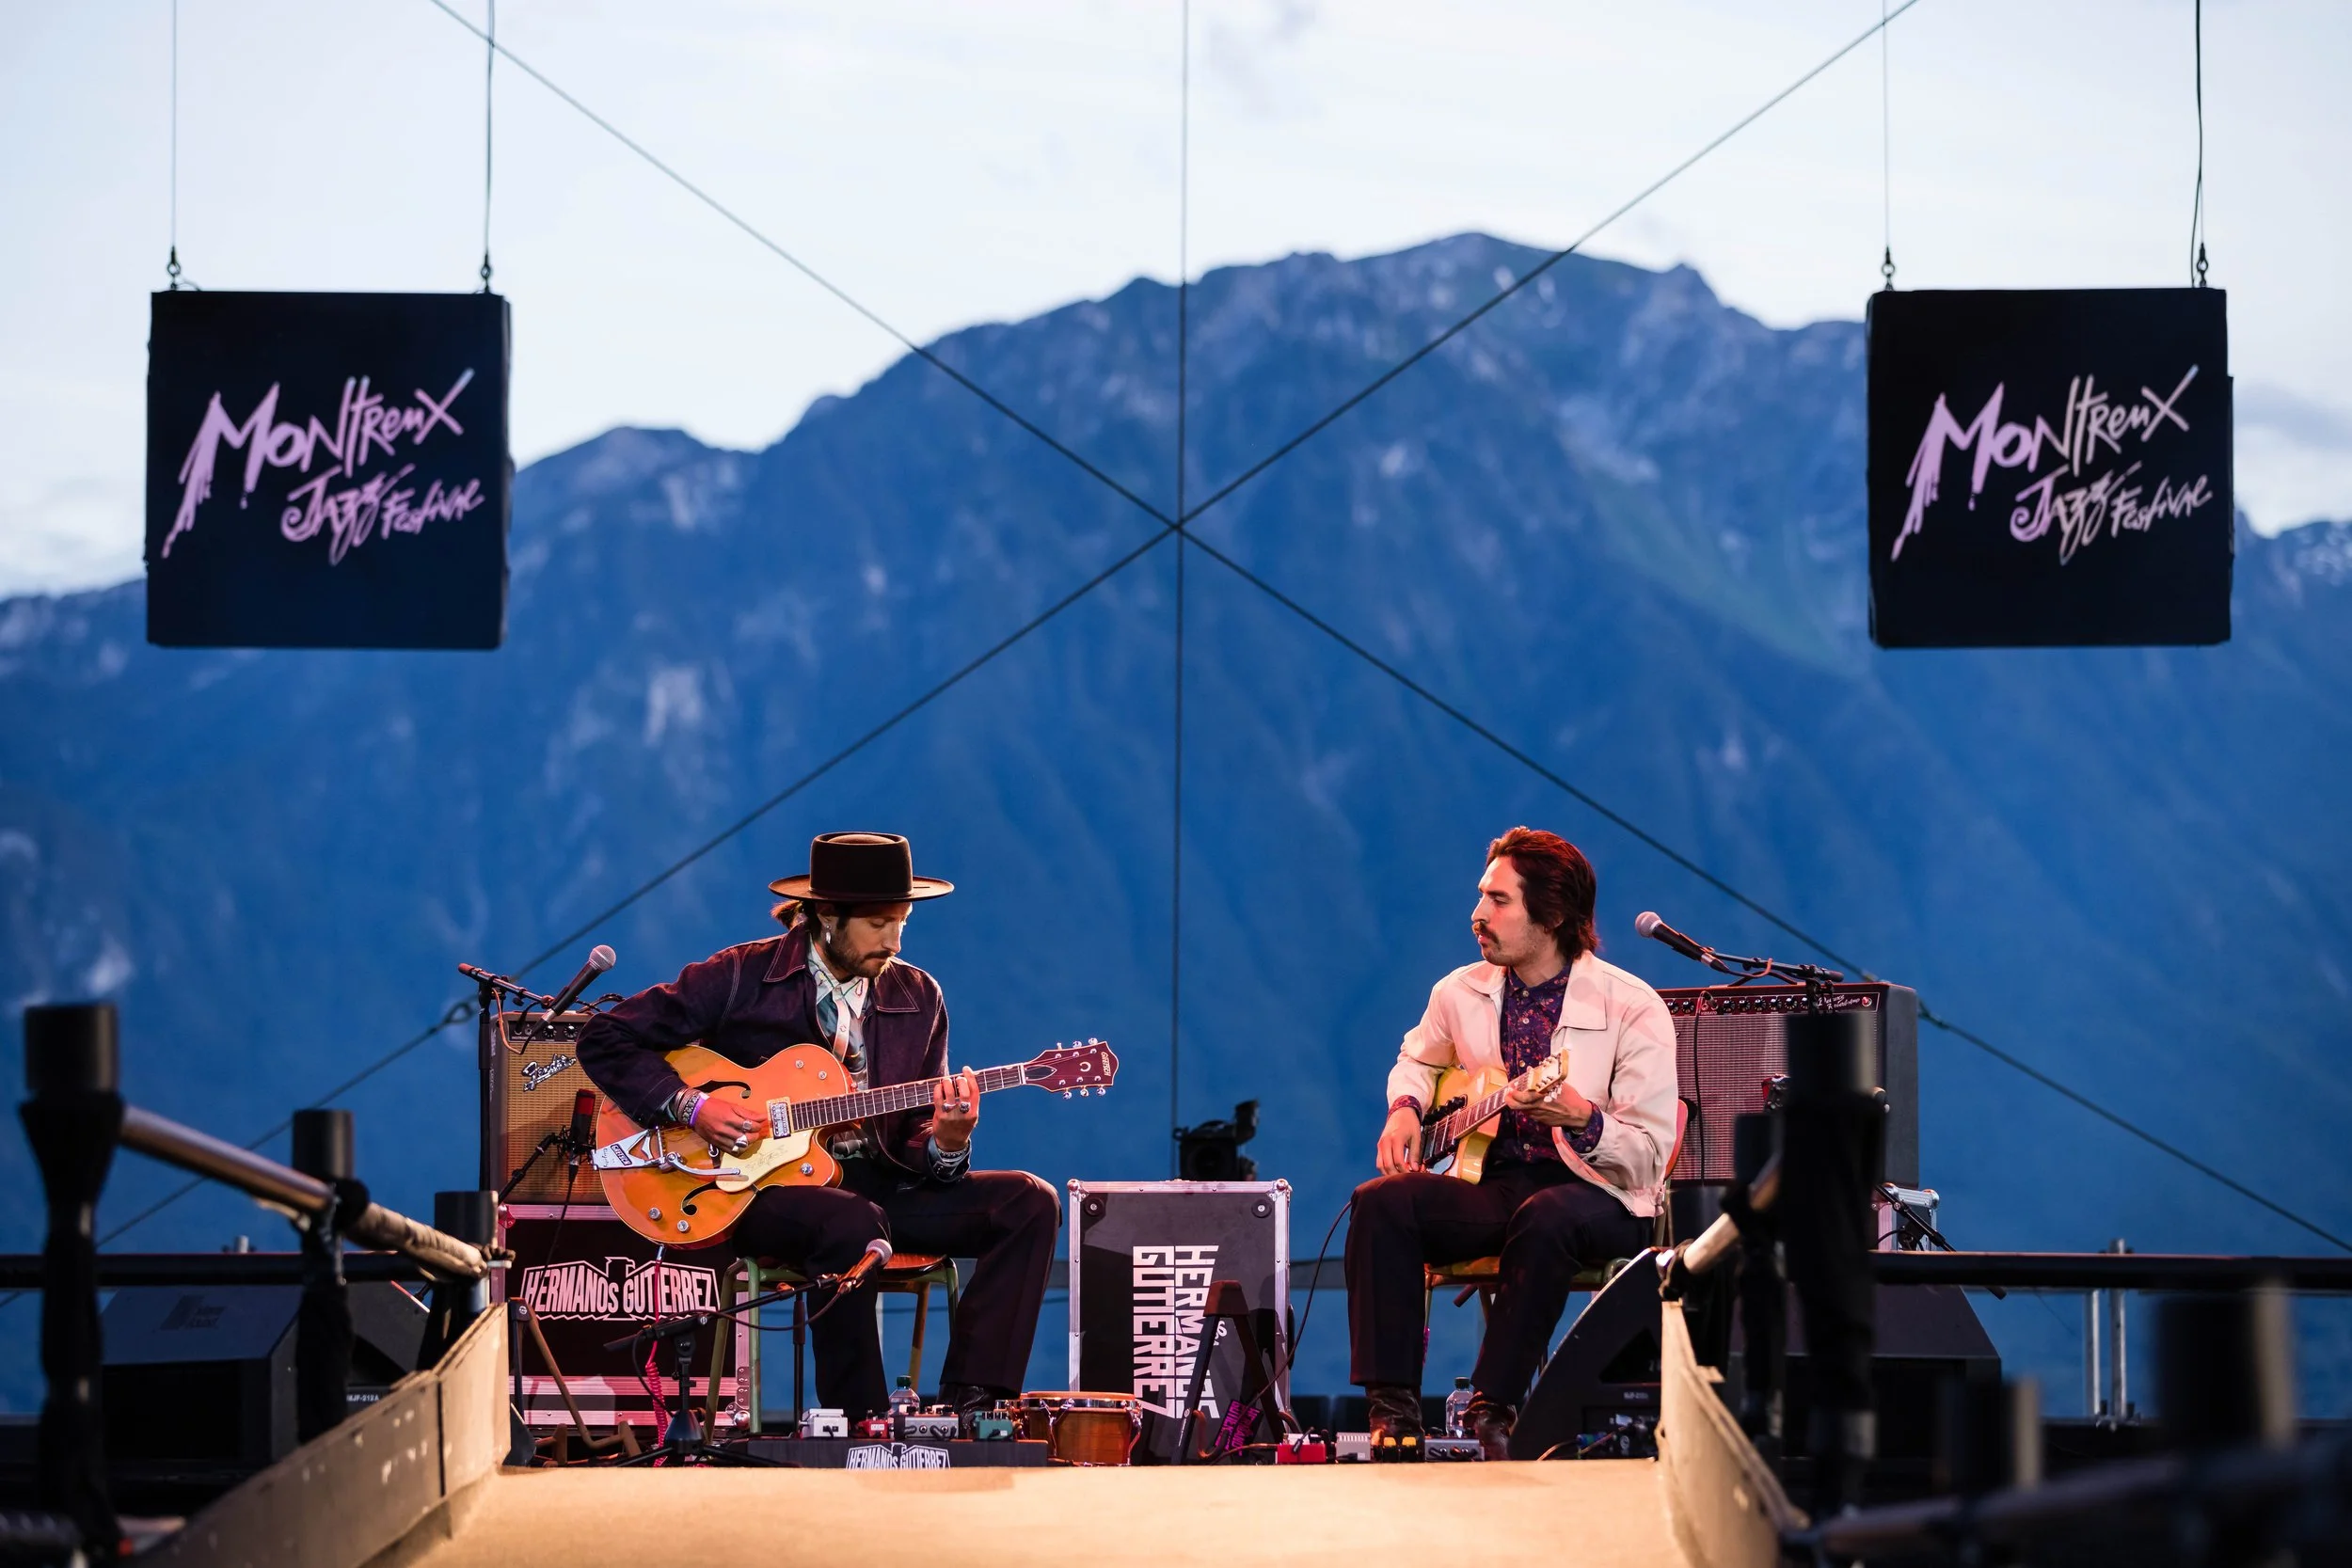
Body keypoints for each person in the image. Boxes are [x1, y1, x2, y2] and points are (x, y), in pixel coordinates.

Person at [577, 831, 1058, 1420]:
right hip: (760, 1195)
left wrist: (946, 1145)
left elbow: (910, 1139)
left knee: (1029, 1202)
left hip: (878, 1189)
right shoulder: (740, 976)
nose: (894, 940)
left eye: (902, 922)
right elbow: (605, 1037)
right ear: (826, 915)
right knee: (851, 1222)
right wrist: (693, 1109)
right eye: (878, 924)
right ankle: (863, 1423)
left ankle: (975, 1406)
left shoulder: (919, 996)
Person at [1344, 827, 1678, 1458]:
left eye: (1498, 901)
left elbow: (1649, 1156)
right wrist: (1404, 1109)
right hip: (1499, 1185)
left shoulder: (1633, 1007)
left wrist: (1584, 1118)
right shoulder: (1459, 991)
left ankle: (1493, 1407)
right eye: (1481, 896)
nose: (1477, 915)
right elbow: (1416, 1058)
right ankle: (1393, 1412)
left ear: (1551, 914)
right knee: (1382, 1201)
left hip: (1602, 1194)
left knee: (1548, 1216)